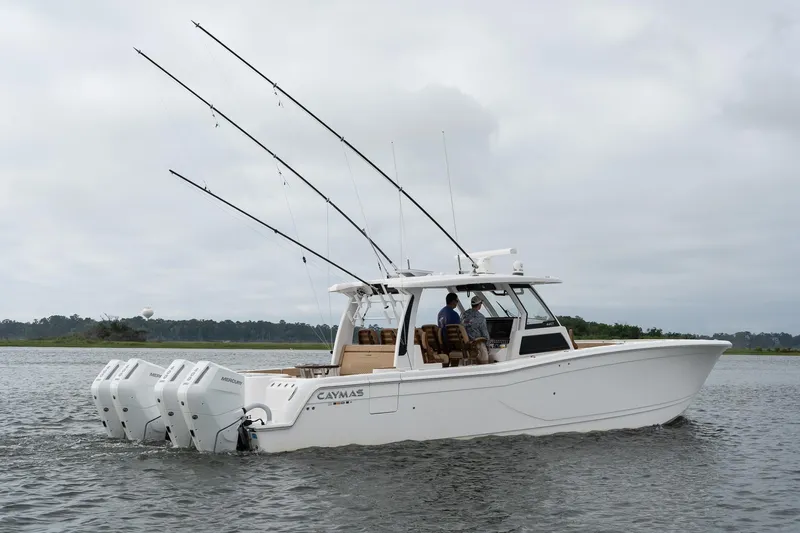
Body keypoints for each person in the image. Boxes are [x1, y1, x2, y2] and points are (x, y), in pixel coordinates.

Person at [461, 295, 491, 364]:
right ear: (479, 305)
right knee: (484, 350)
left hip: (464, 345)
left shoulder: (463, 315)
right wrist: (488, 345)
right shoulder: (481, 317)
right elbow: (485, 334)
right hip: (476, 343)